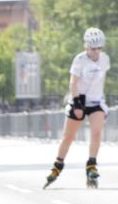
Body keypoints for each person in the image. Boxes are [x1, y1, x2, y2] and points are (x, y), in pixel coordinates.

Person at [44, 27, 111, 189]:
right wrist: (77, 103)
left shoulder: (105, 59)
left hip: (95, 102)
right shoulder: (79, 60)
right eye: (92, 49)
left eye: (99, 48)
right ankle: (57, 166)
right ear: (85, 47)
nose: (95, 52)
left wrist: (102, 100)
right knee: (68, 137)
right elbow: (73, 82)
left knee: (96, 132)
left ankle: (91, 166)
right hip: (78, 100)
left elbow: (101, 80)